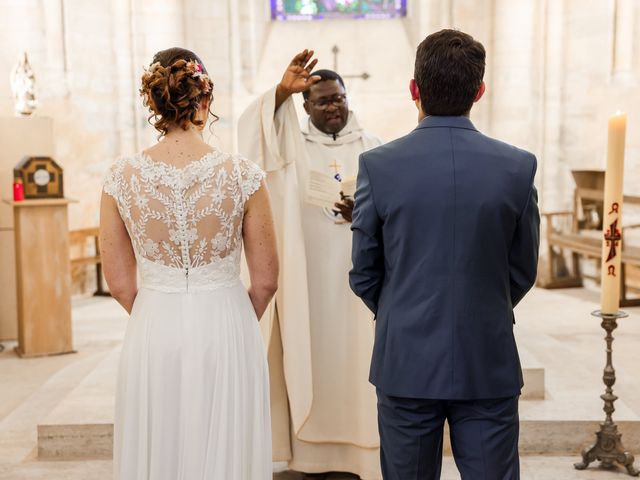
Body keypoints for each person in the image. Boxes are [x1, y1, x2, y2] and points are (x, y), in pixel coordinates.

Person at [350, 29, 540, 480]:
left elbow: (363, 272)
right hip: (486, 356)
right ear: (480, 91)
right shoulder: (517, 166)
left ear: (414, 90)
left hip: (405, 359)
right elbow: (523, 268)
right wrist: (483, 304)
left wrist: (403, 308)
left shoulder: (378, 165)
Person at [100, 47, 277, 480]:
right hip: (227, 325)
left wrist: (158, 311)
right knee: (227, 449)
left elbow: (121, 285)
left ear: (154, 103)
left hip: (154, 327)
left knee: (162, 445)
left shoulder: (120, 178)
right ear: (206, 98)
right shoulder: (243, 174)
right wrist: (230, 314)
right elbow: (267, 281)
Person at [238, 50, 382, 479]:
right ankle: (312, 453)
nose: (333, 106)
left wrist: (366, 212)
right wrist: (281, 90)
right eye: (322, 100)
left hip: (360, 283)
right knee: (313, 356)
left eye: (338, 98)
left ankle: (364, 447)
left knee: (359, 360)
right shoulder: (291, 147)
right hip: (309, 280)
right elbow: (253, 139)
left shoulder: (373, 147)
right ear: (306, 106)